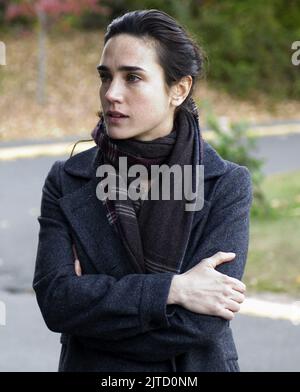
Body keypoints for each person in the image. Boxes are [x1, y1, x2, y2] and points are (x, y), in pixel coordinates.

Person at [33, 9, 252, 372]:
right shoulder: (68, 180)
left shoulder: (225, 183)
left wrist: (96, 314)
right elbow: (57, 301)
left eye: (133, 77)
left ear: (178, 89)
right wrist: (174, 290)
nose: (111, 94)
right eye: (106, 77)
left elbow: (203, 322)